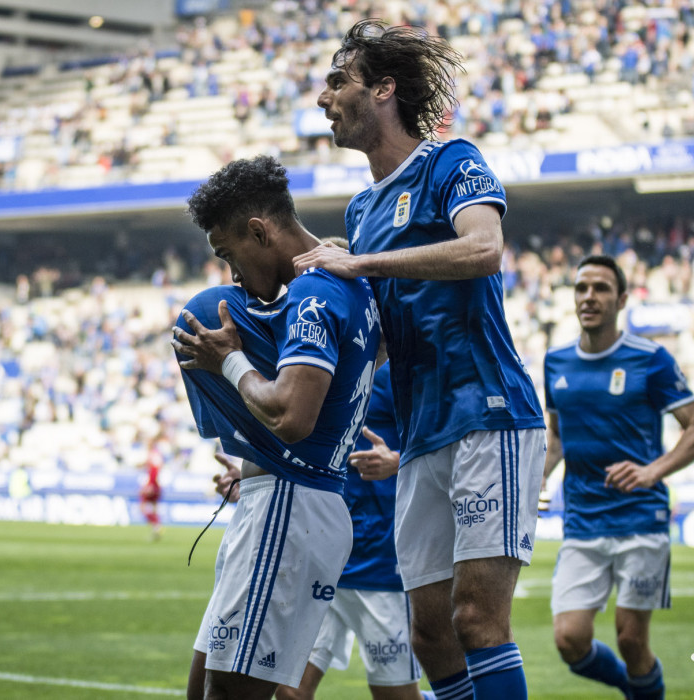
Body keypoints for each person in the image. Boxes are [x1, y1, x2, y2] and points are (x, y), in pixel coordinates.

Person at [293, 20, 546, 700]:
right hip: (421, 430)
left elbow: (483, 249)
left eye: (337, 81)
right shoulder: (362, 206)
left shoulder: (451, 161)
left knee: (476, 619)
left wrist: (361, 261)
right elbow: (374, 338)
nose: (323, 98)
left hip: (488, 414)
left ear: (383, 88)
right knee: (428, 632)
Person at [171, 155, 380, 700]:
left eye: (227, 253)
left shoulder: (315, 290)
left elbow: (291, 416)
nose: (232, 275)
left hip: (291, 503)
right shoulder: (341, 281)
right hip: (281, 498)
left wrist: (231, 363)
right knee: (205, 690)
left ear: (259, 231)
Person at [542, 254, 694, 700]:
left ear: (621, 300)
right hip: (583, 521)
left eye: (600, 289)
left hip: (640, 518)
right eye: (581, 288)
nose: (588, 297)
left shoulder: (650, 359)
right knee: (569, 639)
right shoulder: (555, 363)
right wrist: (537, 478)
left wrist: (651, 471)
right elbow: (557, 438)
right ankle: (635, 691)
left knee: (631, 638)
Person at [275, 362, 433, 700]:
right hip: (323, 554)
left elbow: (440, 444)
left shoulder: (399, 371)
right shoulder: (319, 363)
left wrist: (397, 461)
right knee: (289, 691)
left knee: (396, 697)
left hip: (380, 561)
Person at [139, 434, 164, 541]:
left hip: (153, 485)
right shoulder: (155, 454)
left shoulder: (153, 455)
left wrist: (150, 485)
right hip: (156, 485)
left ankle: (156, 526)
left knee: (143, 507)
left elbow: (154, 471)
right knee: (154, 508)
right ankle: (156, 528)